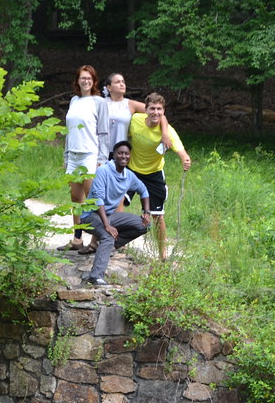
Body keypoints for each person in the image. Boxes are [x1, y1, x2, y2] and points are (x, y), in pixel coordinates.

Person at [127, 92, 191, 260]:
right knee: (117, 202)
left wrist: (185, 159)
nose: (156, 112)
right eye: (152, 109)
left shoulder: (168, 131)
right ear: (145, 110)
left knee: (158, 215)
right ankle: (115, 242)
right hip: (132, 170)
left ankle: (163, 254)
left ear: (164, 111)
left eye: (159, 109)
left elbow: (180, 150)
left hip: (154, 173)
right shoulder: (135, 120)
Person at [81, 141, 151, 286]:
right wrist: (107, 225)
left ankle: (110, 246)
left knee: (143, 225)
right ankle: (95, 277)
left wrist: (146, 212)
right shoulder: (103, 171)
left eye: (126, 154)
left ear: (130, 156)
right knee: (107, 236)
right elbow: (98, 199)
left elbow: (143, 190)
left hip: (108, 215)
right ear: (114, 155)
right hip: (90, 215)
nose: (123, 156)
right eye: (120, 153)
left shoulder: (129, 175)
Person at [60, 65, 111, 253]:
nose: (86, 81)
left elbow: (104, 132)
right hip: (73, 155)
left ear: (94, 81)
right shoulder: (74, 100)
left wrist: (102, 158)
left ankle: (97, 240)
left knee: (93, 199)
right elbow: (68, 132)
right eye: (83, 78)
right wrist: (66, 155)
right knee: (76, 198)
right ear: (77, 80)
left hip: (90, 155)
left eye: (89, 78)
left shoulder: (99, 102)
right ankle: (77, 238)